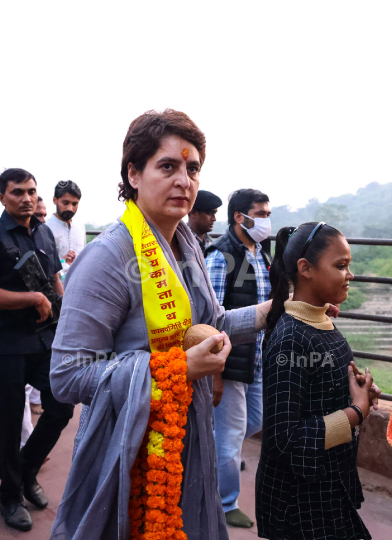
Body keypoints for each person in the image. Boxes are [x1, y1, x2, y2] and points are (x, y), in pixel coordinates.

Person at [49, 109, 274, 540]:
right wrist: (177, 370)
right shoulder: (109, 258)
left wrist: (277, 308)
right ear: (133, 174)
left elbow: (213, 324)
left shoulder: (185, 245)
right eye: (167, 166)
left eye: (193, 169)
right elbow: (67, 375)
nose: (185, 181)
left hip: (188, 430)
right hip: (127, 445)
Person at [256, 222, 381, 540]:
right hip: (299, 501)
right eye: (341, 266)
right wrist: (355, 412)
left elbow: (324, 391)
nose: (350, 275)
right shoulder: (292, 339)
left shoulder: (321, 321)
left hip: (325, 484)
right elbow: (283, 440)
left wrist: (359, 393)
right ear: (305, 268)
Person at [0, 169, 74, 532]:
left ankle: (27, 470)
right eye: (17, 192)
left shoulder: (43, 231)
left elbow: (55, 276)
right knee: (9, 422)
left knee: (61, 405)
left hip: (46, 338)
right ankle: (10, 497)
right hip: (8, 344)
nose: (27, 198)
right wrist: (32, 298)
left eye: (31, 191)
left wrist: (64, 307)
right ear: (2, 197)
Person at [205, 188, 272, 528]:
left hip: (258, 359)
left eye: (266, 213)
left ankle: (206, 450)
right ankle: (224, 503)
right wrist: (215, 371)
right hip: (231, 362)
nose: (265, 221)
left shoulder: (261, 253)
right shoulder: (220, 257)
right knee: (230, 438)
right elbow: (211, 320)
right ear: (239, 217)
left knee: (256, 420)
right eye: (260, 214)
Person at [46, 180, 85, 277]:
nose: (70, 208)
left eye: (74, 204)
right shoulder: (45, 227)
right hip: (55, 285)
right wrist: (63, 261)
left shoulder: (80, 227)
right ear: (55, 200)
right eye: (65, 203)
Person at [187, 189, 222, 256]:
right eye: (209, 213)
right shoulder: (181, 241)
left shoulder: (209, 241)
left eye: (214, 213)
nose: (214, 219)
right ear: (193, 212)